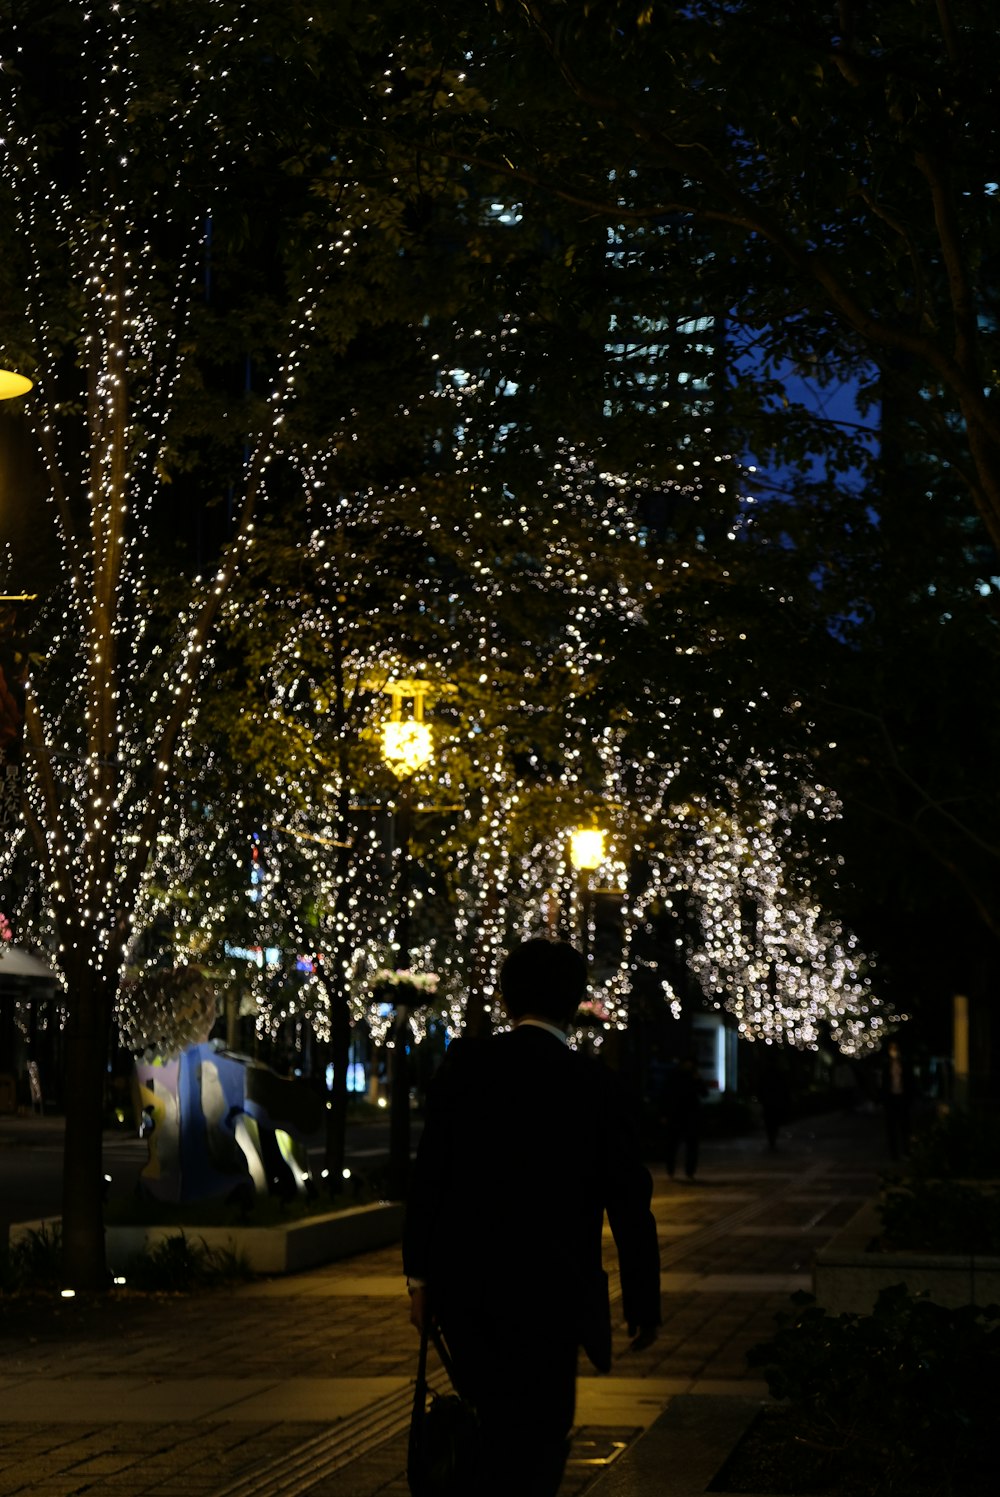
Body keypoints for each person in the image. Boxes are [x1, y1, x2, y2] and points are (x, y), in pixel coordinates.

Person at [403, 937, 661, 1497]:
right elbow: (628, 1200)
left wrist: (419, 1279)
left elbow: (430, 1177)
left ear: (504, 1000)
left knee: (488, 1422)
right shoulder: (594, 1085)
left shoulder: (466, 1067)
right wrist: (643, 1300)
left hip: (468, 1288)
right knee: (541, 1433)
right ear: (573, 1003)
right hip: (554, 1292)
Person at [659, 1053, 707, 1180]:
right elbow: (666, 1095)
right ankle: (671, 1170)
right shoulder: (674, 1076)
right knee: (672, 1145)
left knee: (691, 1145)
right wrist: (664, 1113)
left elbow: (704, 1093)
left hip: (690, 1115)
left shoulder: (694, 1076)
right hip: (676, 1114)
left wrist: (698, 1079)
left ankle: (689, 1171)